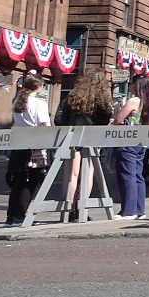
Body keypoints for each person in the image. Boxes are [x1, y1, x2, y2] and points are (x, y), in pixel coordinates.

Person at [57, 70, 115, 219]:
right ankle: (81, 208)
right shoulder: (101, 100)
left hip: (72, 138)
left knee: (72, 175)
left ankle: (68, 210)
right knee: (88, 174)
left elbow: (60, 118)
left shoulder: (73, 96)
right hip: (91, 139)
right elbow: (105, 119)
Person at [5, 76, 51, 225]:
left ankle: (11, 217)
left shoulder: (16, 102)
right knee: (30, 181)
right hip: (35, 146)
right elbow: (44, 125)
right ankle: (20, 216)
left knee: (18, 182)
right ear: (39, 87)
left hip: (19, 144)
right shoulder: (39, 103)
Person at [113, 76, 149, 220]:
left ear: (136, 86)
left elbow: (118, 120)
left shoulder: (133, 101)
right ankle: (140, 210)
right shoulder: (147, 102)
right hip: (141, 141)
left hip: (128, 140)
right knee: (137, 176)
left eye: (131, 83)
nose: (129, 85)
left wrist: (117, 113)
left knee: (127, 175)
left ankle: (129, 211)